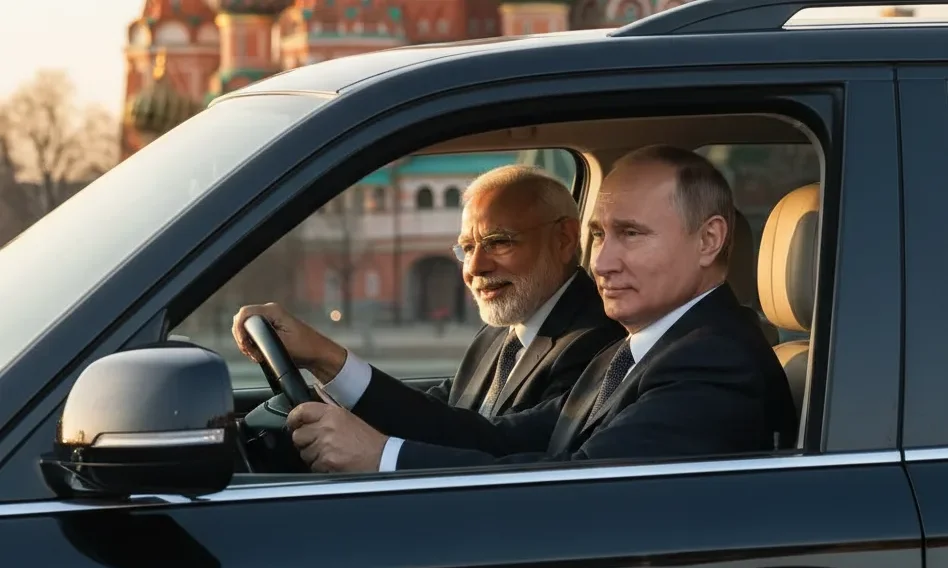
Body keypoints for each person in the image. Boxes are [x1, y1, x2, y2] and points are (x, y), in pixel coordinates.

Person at [269, 146, 798, 473]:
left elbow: (581, 484)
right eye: (598, 234)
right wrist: (330, 364)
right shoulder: (635, 351)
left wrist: (381, 458)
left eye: (631, 234)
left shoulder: (714, 362)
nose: (603, 262)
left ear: (709, 241)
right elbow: (496, 437)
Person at [233, 165, 624, 423]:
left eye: (498, 242)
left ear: (564, 239)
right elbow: (441, 410)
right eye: (467, 248)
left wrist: (327, 357)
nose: (474, 269)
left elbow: (493, 443)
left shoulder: (596, 342)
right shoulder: (505, 331)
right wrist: (329, 384)